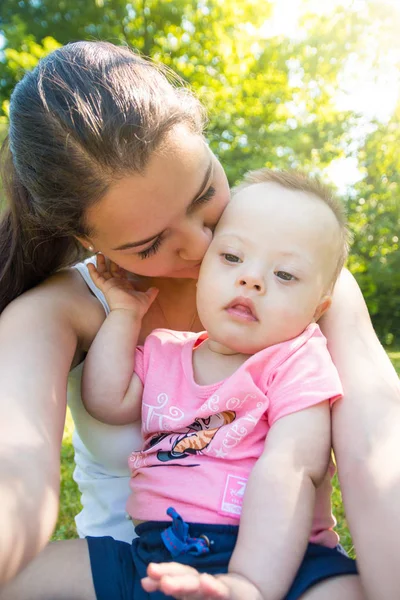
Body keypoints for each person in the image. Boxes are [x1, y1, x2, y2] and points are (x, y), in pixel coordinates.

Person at [0, 40, 398, 598]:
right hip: (142, 565)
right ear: (87, 241)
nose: (202, 244)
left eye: (205, 192)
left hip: (279, 565)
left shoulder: (295, 280)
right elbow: (11, 472)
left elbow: (377, 448)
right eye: (151, 243)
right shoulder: (56, 311)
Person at [0, 169, 364, 600]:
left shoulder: (296, 359)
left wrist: (249, 582)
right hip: (157, 554)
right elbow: (106, 401)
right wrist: (124, 316)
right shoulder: (165, 352)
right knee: (22, 576)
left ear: (318, 307)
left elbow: (294, 467)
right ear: (202, 269)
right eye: (231, 258)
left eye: (285, 275)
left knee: (344, 591)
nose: (252, 279)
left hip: (285, 559)